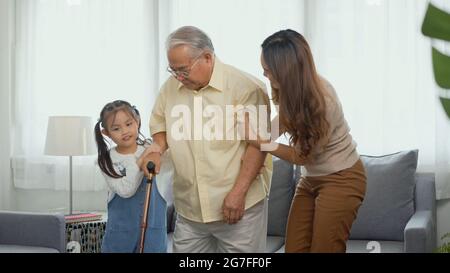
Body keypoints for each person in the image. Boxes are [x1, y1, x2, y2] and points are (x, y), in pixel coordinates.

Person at [139, 26, 273, 253]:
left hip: (238, 208)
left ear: (208, 57)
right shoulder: (170, 88)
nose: (178, 77)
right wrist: (155, 149)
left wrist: (238, 193)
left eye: (183, 70)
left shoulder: (246, 88)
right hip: (190, 210)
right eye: (173, 71)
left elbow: (258, 146)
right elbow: (160, 126)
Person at [242, 29, 367, 253]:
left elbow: (300, 156)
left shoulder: (323, 101)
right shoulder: (291, 90)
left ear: (285, 71)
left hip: (342, 178)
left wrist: (260, 142)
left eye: (268, 70)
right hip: (310, 179)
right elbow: (278, 124)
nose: (264, 74)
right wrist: (253, 139)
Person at [94, 100, 172, 253]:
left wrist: (156, 148)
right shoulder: (107, 160)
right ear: (106, 133)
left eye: (129, 124)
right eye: (116, 128)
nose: (124, 131)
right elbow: (126, 190)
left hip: (153, 233)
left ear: (138, 121)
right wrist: (141, 159)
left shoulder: (154, 149)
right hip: (120, 234)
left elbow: (177, 159)